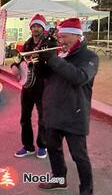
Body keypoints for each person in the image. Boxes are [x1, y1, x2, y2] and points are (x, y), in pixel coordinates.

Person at [38, 18, 98, 195]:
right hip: (53, 112)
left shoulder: (89, 57)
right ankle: (59, 180)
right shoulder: (59, 55)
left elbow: (79, 77)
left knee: (79, 156)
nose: (60, 41)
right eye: (59, 37)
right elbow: (45, 77)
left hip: (74, 114)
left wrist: (54, 60)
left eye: (64, 37)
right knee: (54, 150)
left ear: (76, 35)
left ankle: (86, 190)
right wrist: (42, 62)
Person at [11, 14, 56, 159]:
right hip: (27, 85)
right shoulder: (28, 43)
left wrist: (42, 56)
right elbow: (20, 59)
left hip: (43, 85)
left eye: (38, 26)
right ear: (30, 28)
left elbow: (54, 62)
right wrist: (14, 66)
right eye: (33, 26)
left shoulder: (50, 42)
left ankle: (43, 145)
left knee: (43, 117)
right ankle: (28, 146)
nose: (36, 28)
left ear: (43, 28)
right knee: (25, 117)